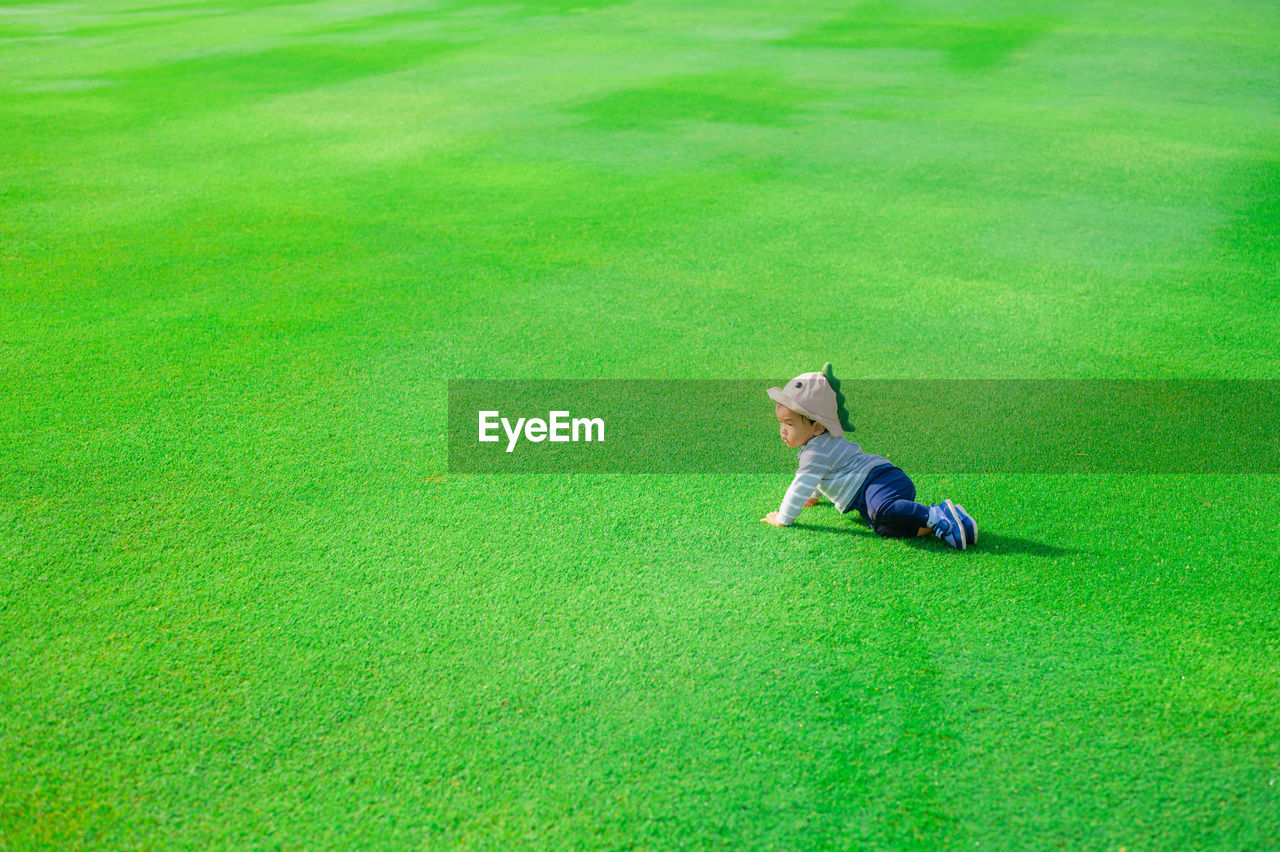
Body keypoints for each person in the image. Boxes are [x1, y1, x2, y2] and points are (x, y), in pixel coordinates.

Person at [760, 364, 978, 550]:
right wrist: (815, 496)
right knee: (882, 527)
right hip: (869, 495)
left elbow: (803, 482)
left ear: (817, 428)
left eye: (789, 424)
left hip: (879, 479)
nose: (783, 430)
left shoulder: (816, 452)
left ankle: (935, 513)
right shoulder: (817, 447)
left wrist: (783, 518)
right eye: (781, 422)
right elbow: (819, 475)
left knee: (881, 510)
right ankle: (949, 521)